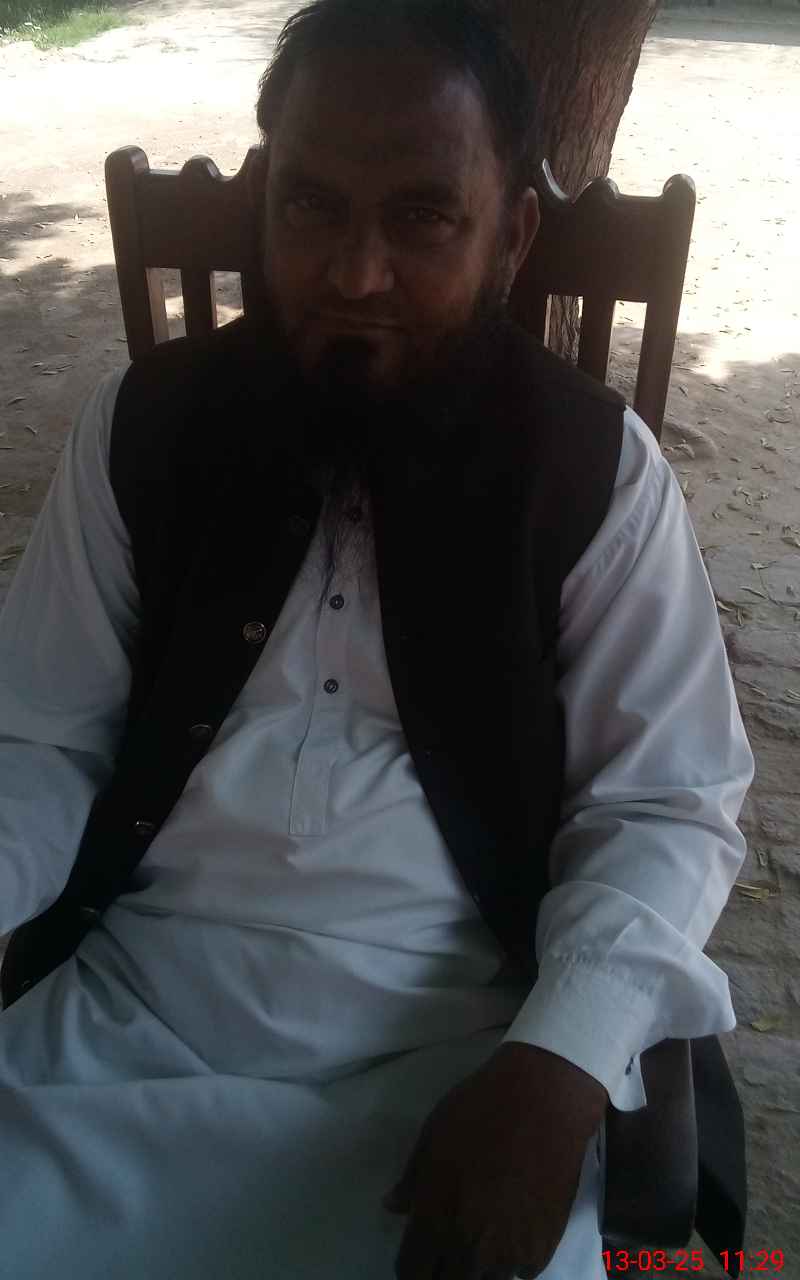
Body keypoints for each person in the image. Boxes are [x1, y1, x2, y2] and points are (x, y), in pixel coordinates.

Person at [0, 1, 754, 1277]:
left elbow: (664, 803)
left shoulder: (594, 473)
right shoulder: (143, 427)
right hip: (121, 1022)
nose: (354, 273)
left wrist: (563, 1058)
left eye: (421, 216)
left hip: (464, 1046)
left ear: (509, 233)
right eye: (311, 206)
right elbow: (39, 741)